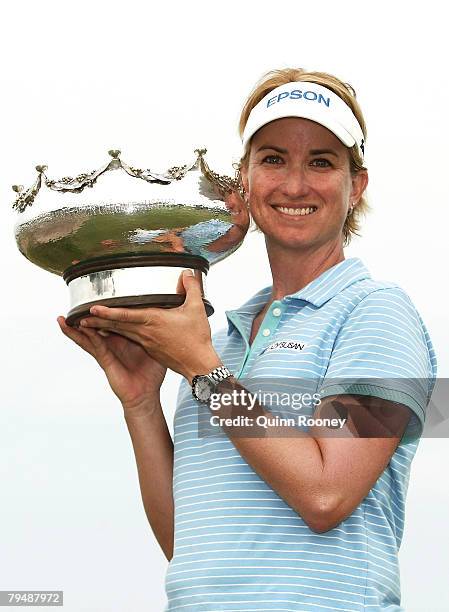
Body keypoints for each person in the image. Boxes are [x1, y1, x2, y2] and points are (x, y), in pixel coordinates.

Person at [57, 68, 437, 611]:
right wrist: (141, 402)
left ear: (358, 185)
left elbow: (326, 495)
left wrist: (204, 374)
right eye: (273, 158)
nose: (295, 184)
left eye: (322, 162)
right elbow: (187, 546)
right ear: (245, 181)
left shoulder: (377, 312)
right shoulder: (223, 342)